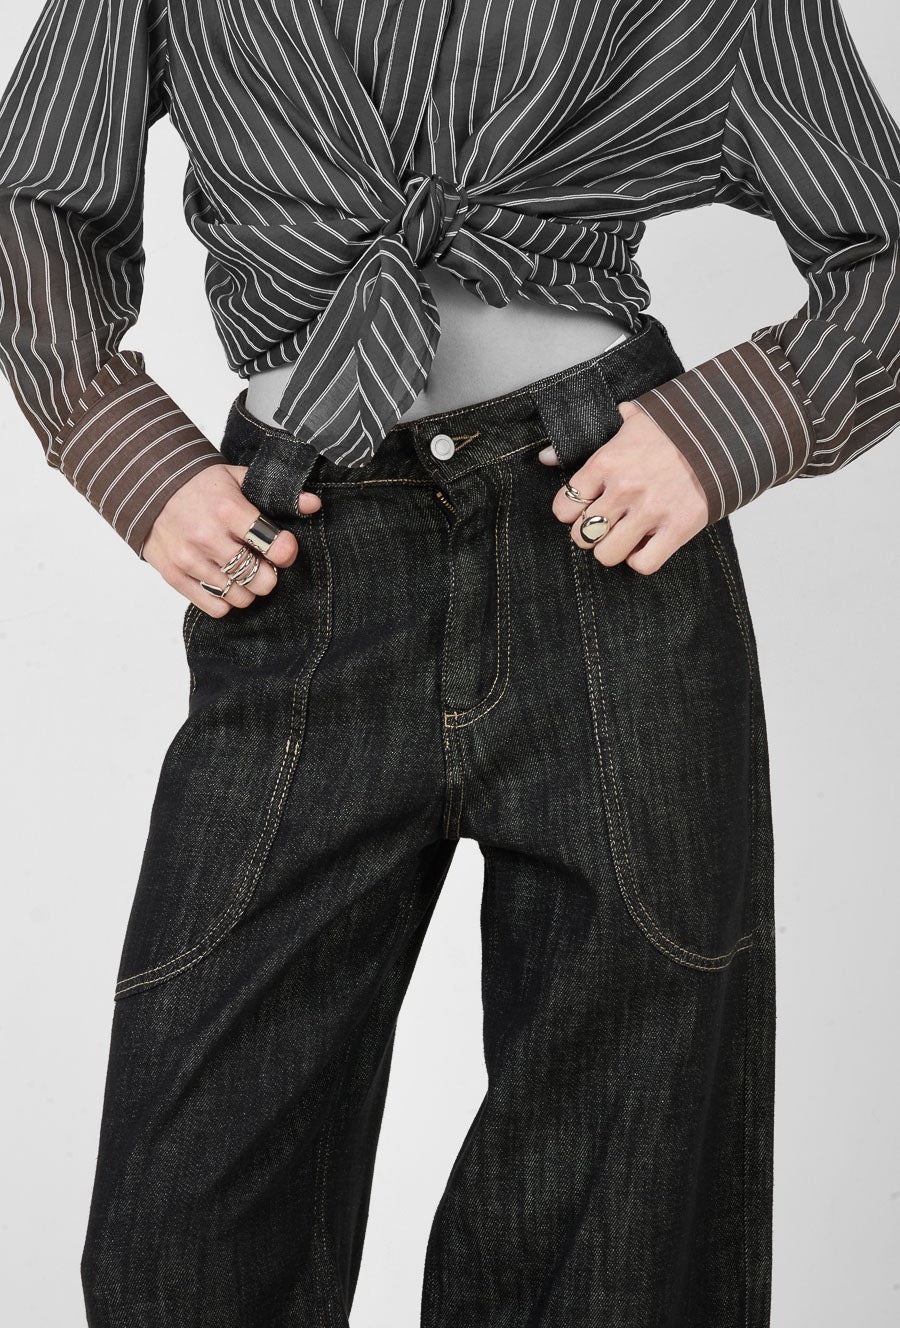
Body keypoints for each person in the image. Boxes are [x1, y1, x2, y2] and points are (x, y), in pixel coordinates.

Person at [0, 2, 897, 1325]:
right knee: (180, 1219)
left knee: (616, 1218)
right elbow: (33, 197)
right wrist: (132, 457)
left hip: (600, 528)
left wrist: (726, 429)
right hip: (300, 548)